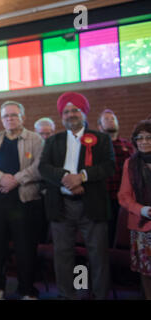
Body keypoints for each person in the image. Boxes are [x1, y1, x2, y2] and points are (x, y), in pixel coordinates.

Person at [39, 92, 115, 299]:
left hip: (92, 204)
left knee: (97, 255)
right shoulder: (53, 141)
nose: (70, 114)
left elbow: (109, 167)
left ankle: (99, 296)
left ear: (84, 112)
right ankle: (67, 295)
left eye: (75, 110)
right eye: (66, 111)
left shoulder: (101, 139)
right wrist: (66, 178)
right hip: (62, 206)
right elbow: (44, 168)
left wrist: (82, 178)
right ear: (61, 116)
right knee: (63, 255)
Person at [0, 101, 44, 300]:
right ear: (1, 119)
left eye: (14, 115)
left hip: (24, 202)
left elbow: (39, 166)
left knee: (25, 248)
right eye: (6, 116)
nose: (9, 118)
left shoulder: (35, 139)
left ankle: (26, 290)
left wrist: (16, 179)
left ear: (23, 117)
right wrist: (1, 178)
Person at [118, 120, 151, 299]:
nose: (144, 141)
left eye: (149, 137)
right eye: (140, 138)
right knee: (146, 273)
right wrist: (142, 210)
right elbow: (124, 196)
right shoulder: (130, 164)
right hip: (141, 225)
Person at [98, 109, 134, 246]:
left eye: (113, 119)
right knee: (106, 236)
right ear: (100, 126)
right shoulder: (96, 147)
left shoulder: (128, 146)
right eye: (106, 119)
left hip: (125, 198)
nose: (110, 121)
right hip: (105, 198)